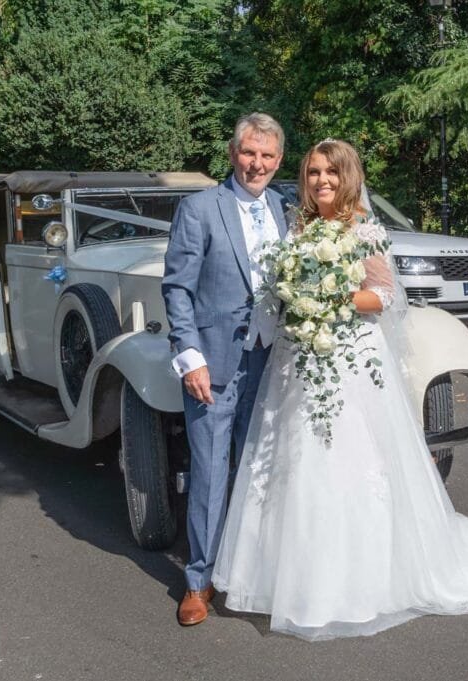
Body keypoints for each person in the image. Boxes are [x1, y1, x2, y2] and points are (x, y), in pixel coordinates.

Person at [211, 139, 468, 641]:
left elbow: (385, 295)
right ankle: (288, 574)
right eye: (313, 172)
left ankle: (358, 579)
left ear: (349, 177)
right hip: (302, 355)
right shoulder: (299, 226)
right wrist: (298, 300)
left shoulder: (365, 230)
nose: (321, 180)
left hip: (351, 356)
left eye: (331, 172)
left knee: (350, 458)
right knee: (290, 454)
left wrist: (329, 294)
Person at [162, 112, 288, 627]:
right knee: (212, 471)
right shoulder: (199, 208)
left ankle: (253, 571)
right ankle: (198, 581)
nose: (257, 164)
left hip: (274, 357)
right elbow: (177, 288)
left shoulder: (288, 208)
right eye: (249, 153)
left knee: (263, 470)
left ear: (279, 161)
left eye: (268, 156)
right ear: (233, 153)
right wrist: (189, 357)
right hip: (213, 363)